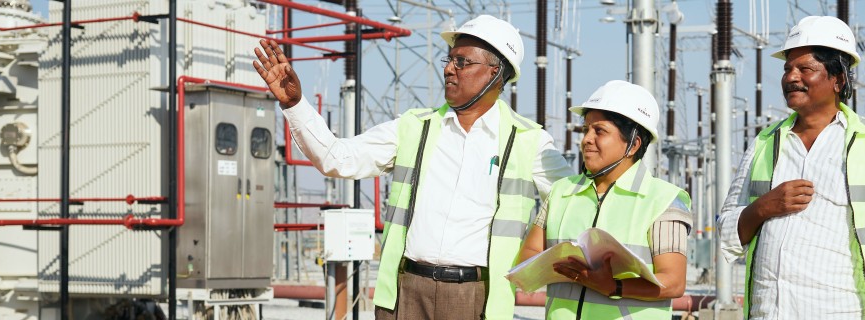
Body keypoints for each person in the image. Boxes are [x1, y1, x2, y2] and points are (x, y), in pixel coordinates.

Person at [252, 15, 572, 320]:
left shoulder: (529, 142)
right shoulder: (413, 127)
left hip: (478, 298)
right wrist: (295, 105)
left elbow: (573, 202)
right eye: (449, 59)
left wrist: (540, 238)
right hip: (406, 295)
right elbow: (337, 157)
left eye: (463, 62)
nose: (449, 69)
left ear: (496, 73)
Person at [718, 16, 865, 320]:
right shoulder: (764, 144)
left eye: (805, 69)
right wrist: (763, 208)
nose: (791, 77)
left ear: (838, 79)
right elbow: (727, 235)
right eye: (787, 68)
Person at [518, 80, 691, 319]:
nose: (587, 139)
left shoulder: (665, 200)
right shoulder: (560, 192)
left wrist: (614, 287)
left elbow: (673, 282)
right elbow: (528, 255)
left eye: (599, 131)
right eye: (586, 129)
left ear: (633, 145)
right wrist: (561, 264)